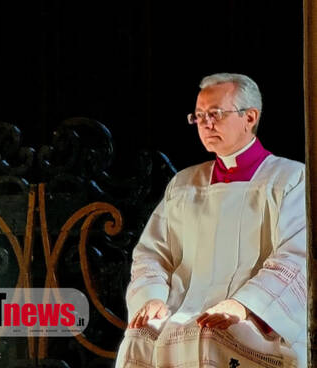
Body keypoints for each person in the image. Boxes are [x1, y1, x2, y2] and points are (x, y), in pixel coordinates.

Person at [115, 73, 306, 367]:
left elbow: (296, 257)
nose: (205, 123)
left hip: (256, 316)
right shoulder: (184, 185)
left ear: (250, 117)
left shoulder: (290, 179)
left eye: (215, 113)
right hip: (182, 307)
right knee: (142, 334)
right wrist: (152, 298)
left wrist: (245, 306)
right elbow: (153, 254)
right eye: (199, 115)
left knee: (210, 336)